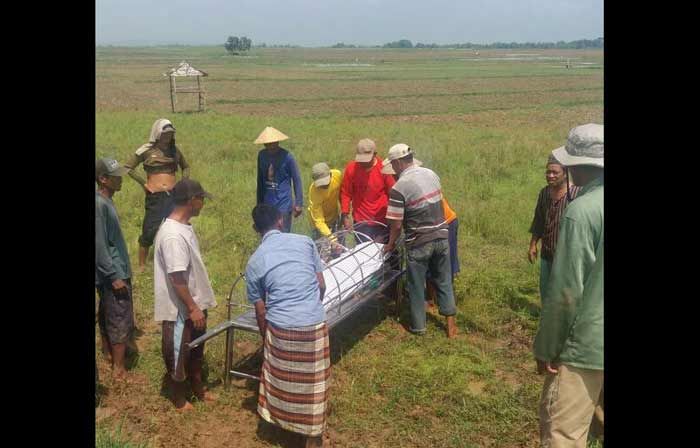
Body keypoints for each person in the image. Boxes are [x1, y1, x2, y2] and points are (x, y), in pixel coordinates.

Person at [533, 123, 603, 448]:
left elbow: (566, 292)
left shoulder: (582, 212)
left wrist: (547, 347)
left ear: (574, 166)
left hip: (587, 346)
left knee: (563, 431)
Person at [246, 204, 330, 448]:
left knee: (284, 378)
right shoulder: (305, 242)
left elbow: (261, 310)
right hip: (313, 324)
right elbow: (321, 285)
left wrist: (267, 339)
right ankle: (312, 434)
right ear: (280, 221)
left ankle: (285, 423)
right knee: (313, 384)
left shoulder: (254, 262)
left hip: (281, 326)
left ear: (256, 229)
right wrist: (310, 308)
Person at [381, 144, 457, 338]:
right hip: (442, 235)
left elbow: (396, 225)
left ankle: (419, 328)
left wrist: (389, 245)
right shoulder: (431, 174)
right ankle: (451, 327)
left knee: (416, 286)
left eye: (393, 165)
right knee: (444, 280)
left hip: (419, 242)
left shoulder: (399, 188)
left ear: (397, 163)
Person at [153, 179, 217, 410]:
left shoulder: (183, 227)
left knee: (196, 348)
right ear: (192, 201)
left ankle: (197, 388)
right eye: (201, 199)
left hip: (194, 302)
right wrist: (192, 307)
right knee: (179, 351)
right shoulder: (172, 236)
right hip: (181, 308)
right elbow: (176, 277)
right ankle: (178, 398)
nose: (203, 204)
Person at [124, 118, 190, 271]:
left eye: (171, 134)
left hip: (173, 195)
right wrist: (144, 184)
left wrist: (183, 182)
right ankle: (141, 264)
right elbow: (128, 167)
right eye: (165, 133)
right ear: (157, 133)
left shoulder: (175, 151)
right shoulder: (146, 150)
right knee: (150, 228)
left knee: (175, 225)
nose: (168, 136)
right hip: (155, 196)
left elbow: (185, 167)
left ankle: (175, 259)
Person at [95, 157, 134, 379]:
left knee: (109, 312)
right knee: (119, 316)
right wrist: (113, 276)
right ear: (103, 179)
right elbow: (100, 244)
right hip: (113, 272)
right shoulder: (100, 205)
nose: (120, 179)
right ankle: (119, 370)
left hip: (114, 269)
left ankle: (109, 356)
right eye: (115, 175)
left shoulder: (107, 201)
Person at [528, 154, 581, 301]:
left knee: (566, 296)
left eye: (555, 172)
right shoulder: (544, 193)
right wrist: (533, 244)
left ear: (565, 174)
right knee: (546, 294)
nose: (550, 176)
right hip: (547, 253)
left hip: (568, 257)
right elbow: (538, 220)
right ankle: (548, 322)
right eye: (548, 172)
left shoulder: (577, 194)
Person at [340, 138, 396, 242]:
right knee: (363, 254)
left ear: (375, 154)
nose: (363, 163)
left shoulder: (384, 168)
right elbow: (346, 193)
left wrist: (393, 217)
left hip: (382, 221)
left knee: (385, 255)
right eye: (361, 160)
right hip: (361, 222)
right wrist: (345, 215)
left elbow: (393, 194)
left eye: (366, 160)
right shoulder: (351, 168)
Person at [255, 126, 303, 233]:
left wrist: (299, 203)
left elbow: (296, 179)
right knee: (268, 234)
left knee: (283, 234)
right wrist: (259, 204)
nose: (271, 146)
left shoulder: (287, 157)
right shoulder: (261, 156)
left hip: (284, 203)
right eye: (268, 144)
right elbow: (260, 181)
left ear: (278, 142)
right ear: (264, 144)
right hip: (268, 203)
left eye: (273, 143)